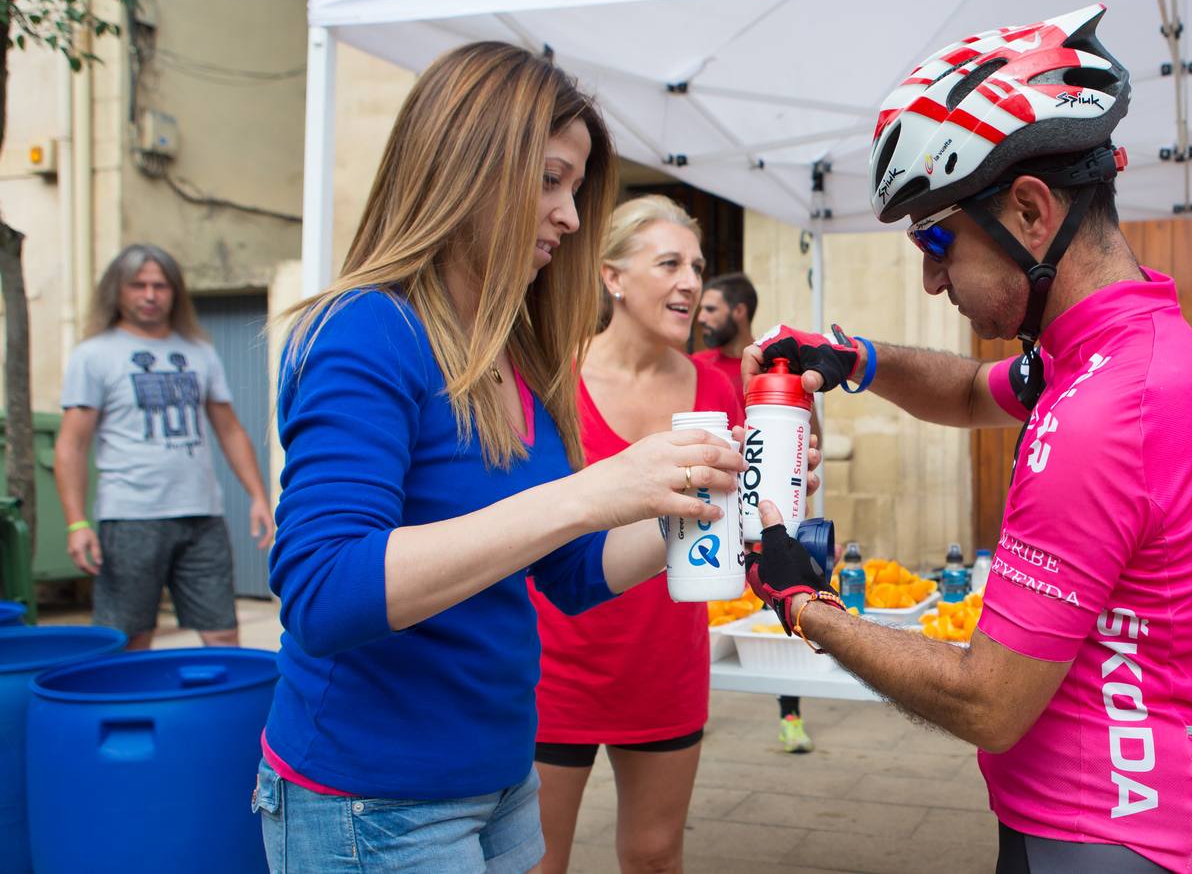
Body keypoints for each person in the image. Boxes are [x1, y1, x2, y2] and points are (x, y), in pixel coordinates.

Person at [742, 6, 1192, 874]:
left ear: (1028, 209)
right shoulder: (1118, 348)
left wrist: (803, 603)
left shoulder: (1105, 412)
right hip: (1142, 812)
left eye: (938, 239)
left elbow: (986, 703)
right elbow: (966, 392)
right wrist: (851, 358)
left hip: (1110, 832)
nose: (931, 276)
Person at [254, 43, 744, 873]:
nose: (572, 217)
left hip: (499, 782)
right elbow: (324, 590)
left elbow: (572, 572)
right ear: (466, 163)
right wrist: (589, 493)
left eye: (577, 189)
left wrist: (683, 503)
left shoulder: (513, 356)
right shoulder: (366, 331)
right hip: (374, 802)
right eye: (550, 179)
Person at [528, 195, 742, 873]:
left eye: (697, 266)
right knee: (536, 860)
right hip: (553, 662)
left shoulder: (717, 391)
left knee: (654, 855)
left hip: (664, 657)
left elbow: (732, 522)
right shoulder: (551, 377)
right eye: (669, 263)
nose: (690, 281)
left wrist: (781, 491)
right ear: (612, 277)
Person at [56, 243, 273, 651]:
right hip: (130, 517)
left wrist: (258, 496)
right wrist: (76, 522)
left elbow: (229, 430)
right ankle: (131, 711)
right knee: (131, 637)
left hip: (202, 515)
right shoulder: (94, 355)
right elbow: (71, 443)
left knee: (223, 631)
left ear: (175, 292)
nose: (150, 295)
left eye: (160, 285)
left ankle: (227, 715)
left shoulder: (199, 352)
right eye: (138, 285)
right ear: (117, 291)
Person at [693, 272, 815, 754]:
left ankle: (790, 715)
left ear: (739, 312)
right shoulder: (695, 368)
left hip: (771, 512)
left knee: (785, 604)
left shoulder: (771, 375)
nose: (702, 318)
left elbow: (806, 432)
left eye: (712, 309)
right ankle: (693, 701)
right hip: (716, 515)